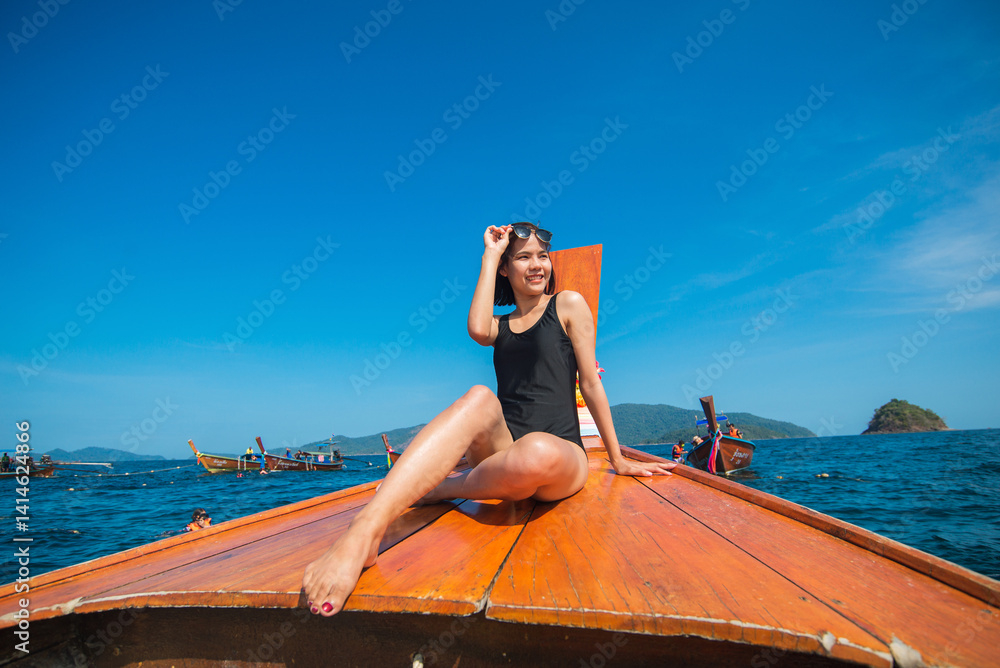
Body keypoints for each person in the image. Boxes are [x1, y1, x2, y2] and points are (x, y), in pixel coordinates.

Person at [302, 223, 676, 617]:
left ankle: (446, 489)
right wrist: (490, 253)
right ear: (505, 268)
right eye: (524, 257)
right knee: (480, 396)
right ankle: (363, 530)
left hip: (560, 455)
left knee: (535, 452)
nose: (537, 265)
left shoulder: (567, 304)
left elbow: (592, 385)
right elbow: (477, 328)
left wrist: (617, 459)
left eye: (542, 256)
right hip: (503, 453)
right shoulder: (501, 325)